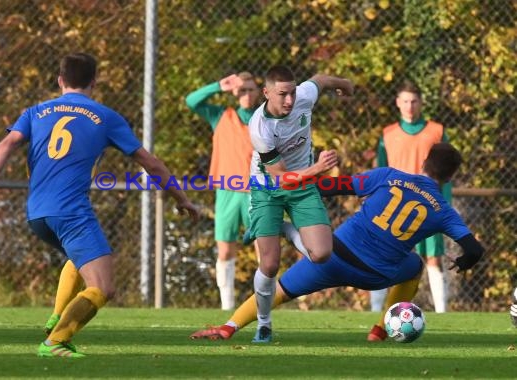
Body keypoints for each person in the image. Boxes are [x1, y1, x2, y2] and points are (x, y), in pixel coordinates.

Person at [0, 53, 200, 358]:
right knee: (102, 287)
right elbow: (150, 163)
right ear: (94, 82)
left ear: (60, 80)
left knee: (82, 257)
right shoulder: (105, 117)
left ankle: (55, 318)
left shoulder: (35, 111)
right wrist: (181, 198)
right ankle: (55, 342)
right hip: (70, 211)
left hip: (37, 213)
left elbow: (6, 144)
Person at [189, 143, 484, 342]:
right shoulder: (443, 210)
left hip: (333, 256)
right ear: (449, 178)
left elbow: (335, 187)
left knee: (278, 291)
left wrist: (297, 193)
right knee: (414, 266)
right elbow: (474, 249)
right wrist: (464, 261)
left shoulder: (388, 175)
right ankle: (379, 331)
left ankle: (229, 328)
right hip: (376, 276)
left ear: (423, 162)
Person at [246, 65, 354, 342]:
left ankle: (282, 228)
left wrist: (342, 82)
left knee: (320, 254)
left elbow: (320, 79)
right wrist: (317, 169)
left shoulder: (303, 96)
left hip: (302, 186)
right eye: (282, 94)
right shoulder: (259, 127)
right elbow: (281, 178)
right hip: (269, 188)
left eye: (292, 92)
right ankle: (264, 323)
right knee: (269, 265)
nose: (290, 100)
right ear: (266, 93)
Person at [370, 80, 452, 316]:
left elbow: (446, 173)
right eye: (405, 101)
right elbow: (380, 173)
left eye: (414, 101)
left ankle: (442, 314)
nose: (409, 106)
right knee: (385, 257)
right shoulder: (388, 134)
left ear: (421, 103)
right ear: (397, 103)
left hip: (429, 206)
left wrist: (444, 205)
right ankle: (376, 310)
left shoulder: (436, 131)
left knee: (433, 258)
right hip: (396, 208)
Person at [184, 72, 260, 311]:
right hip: (227, 192)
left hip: (258, 193)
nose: (246, 94)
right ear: (235, 94)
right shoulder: (222, 116)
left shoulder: (265, 118)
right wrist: (220, 86)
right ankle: (227, 306)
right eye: (242, 90)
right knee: (225, 250)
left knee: (264, 249)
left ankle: (263, 302)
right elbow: (192, 101)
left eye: (251, 89)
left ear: (258, 92)